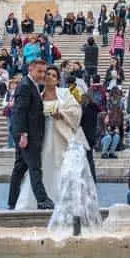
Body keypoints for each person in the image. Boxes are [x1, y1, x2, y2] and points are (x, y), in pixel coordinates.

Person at [14, 64, 83, 209]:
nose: (49, 77)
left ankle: (65, 203)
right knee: (40, 166)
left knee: (61, 167)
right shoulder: (38, 95)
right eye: (47, 74)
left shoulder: (64, 93)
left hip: (60, 135)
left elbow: (76, 111)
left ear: (58, 80)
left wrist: (61, 114)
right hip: (42, 135)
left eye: (53, 75)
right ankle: (37, 200)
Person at [7, 59, 55, 211]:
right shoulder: (26, 86)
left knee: (20, 168)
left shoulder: (31, 85)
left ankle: (12, 201)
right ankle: (42, 200)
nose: (42, 75)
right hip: (27, 135)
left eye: (44, 72)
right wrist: (23, 134)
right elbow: (19, 111)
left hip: (28, 133)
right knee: (35, 167)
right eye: (39, 71)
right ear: (30, 69)